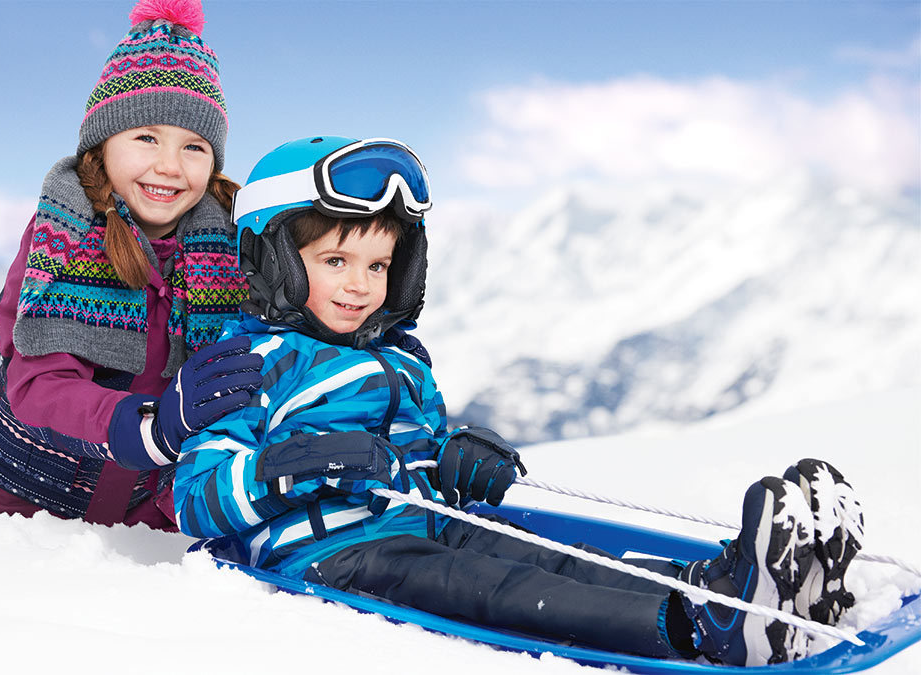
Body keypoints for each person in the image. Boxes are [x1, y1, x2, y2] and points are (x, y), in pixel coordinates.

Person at [172, 136, 866, 665]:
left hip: (427, 522)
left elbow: (411, 448)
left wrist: (450, 457)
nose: (362, 285)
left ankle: (728, 586)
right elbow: (195, 496)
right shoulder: (245, 366)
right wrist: (286, 465)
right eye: (335, 261)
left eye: (379, 264)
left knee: (551, 555)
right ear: (275, 263)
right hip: (337, 553)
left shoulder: (398, 356)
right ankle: (695, 629)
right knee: (495, 586)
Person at [0, 0, 264, 530]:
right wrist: (150, 428)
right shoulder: (63, 234)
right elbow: (38, 383)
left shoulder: (225, 249)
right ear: (102, 144)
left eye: (194, 146)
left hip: (140, 516)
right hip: (9, 510)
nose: (169, 166)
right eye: (146, 136)